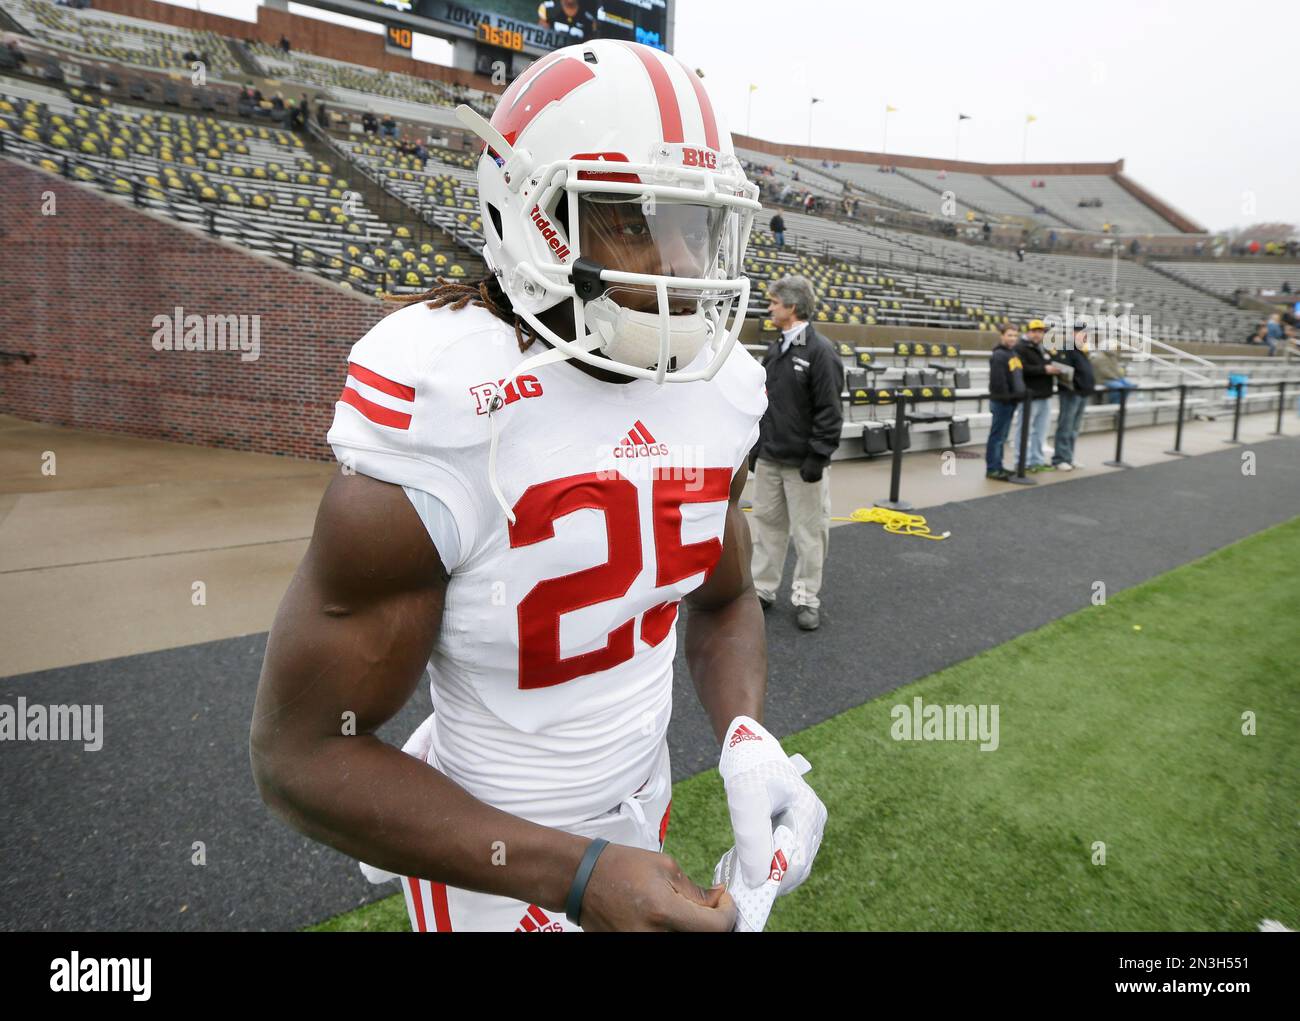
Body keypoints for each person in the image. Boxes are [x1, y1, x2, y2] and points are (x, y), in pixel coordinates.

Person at [251, 39, 825, 933]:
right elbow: (303, 754)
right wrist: (576, 872)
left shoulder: (718, 391)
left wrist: (747, 736)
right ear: (533, 215)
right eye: (635, 220)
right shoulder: (449, 410)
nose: (678, 266)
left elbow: (720, 601)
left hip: (642, 801)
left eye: (694, 225)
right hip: (487, 853)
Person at [748, 275, 844, 631]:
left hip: (803, 464)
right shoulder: (776, 350)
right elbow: (765, 406)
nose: (770, 307)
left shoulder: (821, 352)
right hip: (771, 459)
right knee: (767, 529)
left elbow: (830, 411)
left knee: (809, 535)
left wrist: (818, 456)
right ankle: (763, 589)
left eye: (775, 302)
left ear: (791, 306)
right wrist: (758, 450)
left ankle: (806, 598)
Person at [1013, 319, 1061, 472]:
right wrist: (1044, 369)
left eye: (1040, 331)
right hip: (1029, 396)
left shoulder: (1044, 348)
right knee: (1024, 430)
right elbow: (1022, 368)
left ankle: (1037, 461)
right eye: (1034, 331)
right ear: (1028, 332)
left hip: (1045, 395)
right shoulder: (1019, 347)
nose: (1037, 334)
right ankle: (1022, 462)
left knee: (1040, 432)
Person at [1051, 322, 1096, 471]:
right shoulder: (1066, 348)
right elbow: (1061, 369)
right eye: (1080, 332)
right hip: (1071, 393)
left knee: (1074, 428)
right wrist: (1073, 385)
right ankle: (1059, 459)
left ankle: (1069, 456)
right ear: (1073, 333)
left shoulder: (1081, 350)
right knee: (1066, 426)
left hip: (1082, 393)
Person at [985, 323, 1025, 480]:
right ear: (1002, 336)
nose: (1012, 338)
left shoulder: (1013, 353)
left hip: (1010, 401)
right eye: (1009, 335)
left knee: (1002, 437)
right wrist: (1007, 398)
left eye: (1015, 336)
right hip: (1002, 401)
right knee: (997, 436)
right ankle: (992, 469)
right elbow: (998, 382)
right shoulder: (999, 355)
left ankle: (998, 466)